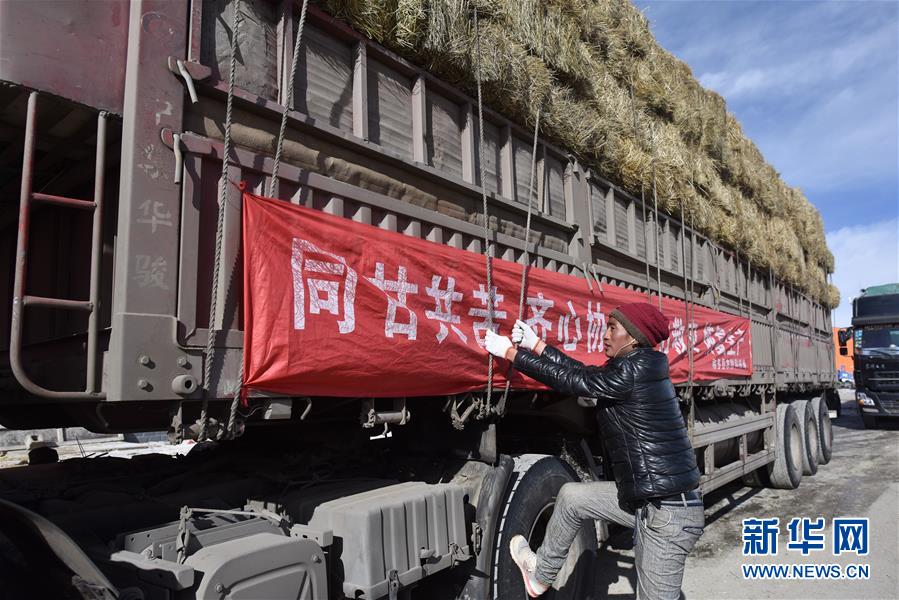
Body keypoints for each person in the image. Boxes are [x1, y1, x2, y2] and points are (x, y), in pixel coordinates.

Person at [484, 302, 703, 599]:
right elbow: (583, 372)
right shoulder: (635, 365)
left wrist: (511, 354)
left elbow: (576, 381)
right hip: (645, 501)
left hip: (667, 514)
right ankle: (539, 576)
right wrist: (537, 345)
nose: (605, 335)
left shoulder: (634, 371)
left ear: (634, 337)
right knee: (572, 498)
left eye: (613, 328)